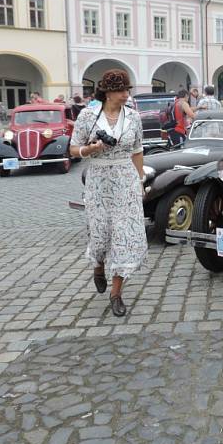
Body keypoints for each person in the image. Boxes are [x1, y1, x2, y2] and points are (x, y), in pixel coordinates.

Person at [69, 69, 148, 318]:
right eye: (121, 91)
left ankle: (116, 293)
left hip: (125, 179)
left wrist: (141, 180)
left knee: (124, 235)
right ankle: (99, 266)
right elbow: (72, 149)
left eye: (128, 90)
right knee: (101, 234)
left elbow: (137, 150)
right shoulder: (88, 116)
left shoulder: (133, 117)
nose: (126, 95)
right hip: (98, 180)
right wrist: (89, 149)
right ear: (108, 92)